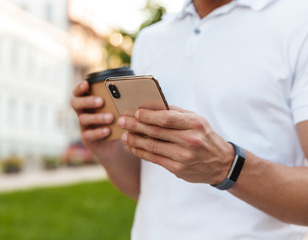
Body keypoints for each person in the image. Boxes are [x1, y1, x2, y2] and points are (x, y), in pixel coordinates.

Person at [71, 0, 308, 239]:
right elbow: (152, 191)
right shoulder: (150, 39)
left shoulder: (299, 22)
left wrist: (226, 165)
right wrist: (110, 153)